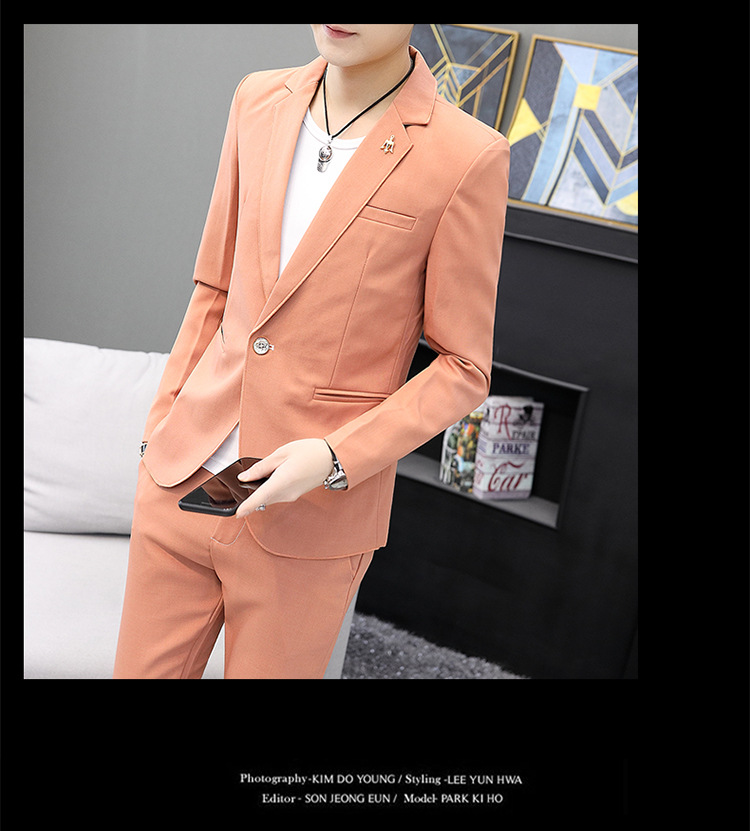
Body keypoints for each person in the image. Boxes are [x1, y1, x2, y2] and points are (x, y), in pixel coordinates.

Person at [113, 24, 510, 679]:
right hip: (181, 482)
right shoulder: (256, 99)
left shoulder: (468, 155)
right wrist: (162, 429)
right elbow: (214, 287)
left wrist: (333, 458)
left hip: (309, 518)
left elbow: (463, 368)